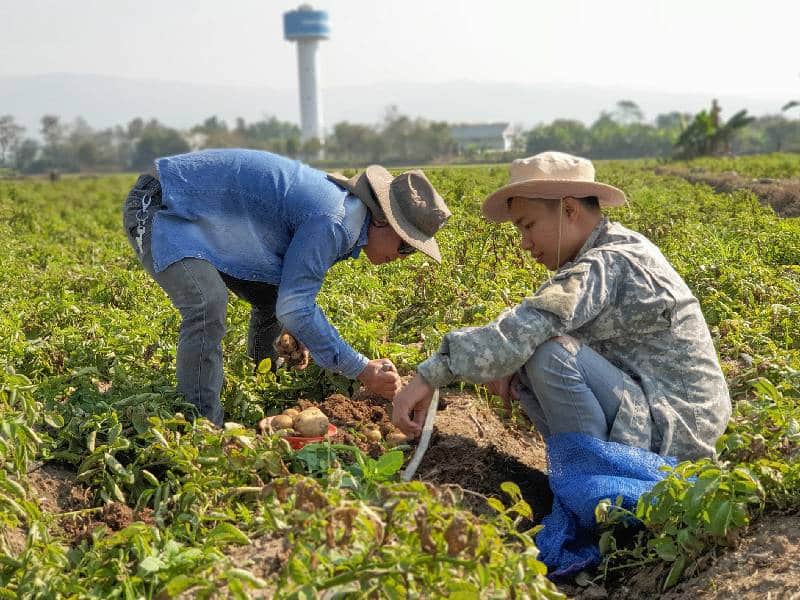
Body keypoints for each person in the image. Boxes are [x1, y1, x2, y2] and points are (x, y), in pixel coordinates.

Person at [392, 151, 731, 461]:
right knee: (530, 353)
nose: (525, 243)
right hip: (666, 418)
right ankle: (586, 475)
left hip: (674, 435)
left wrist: (431, 374)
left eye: (528, 226)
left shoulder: (608, 261)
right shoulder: (614, 248)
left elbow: (530, 324)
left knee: (548, 353)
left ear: (569, 210)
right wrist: (509, 363)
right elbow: (534, 323)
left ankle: (596, 485)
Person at [122, 149, 451, 426]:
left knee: (271, 296)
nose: (402, 256)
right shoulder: (336, 221)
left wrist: (300, 328)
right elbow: (296, 306)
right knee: (206, 304)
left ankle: (262, 382)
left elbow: (291, 295)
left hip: (203, 215)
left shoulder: (346, 217)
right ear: (381, 220)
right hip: (163, 203)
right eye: (406, 245)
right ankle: (202, 426)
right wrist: (362, 369)